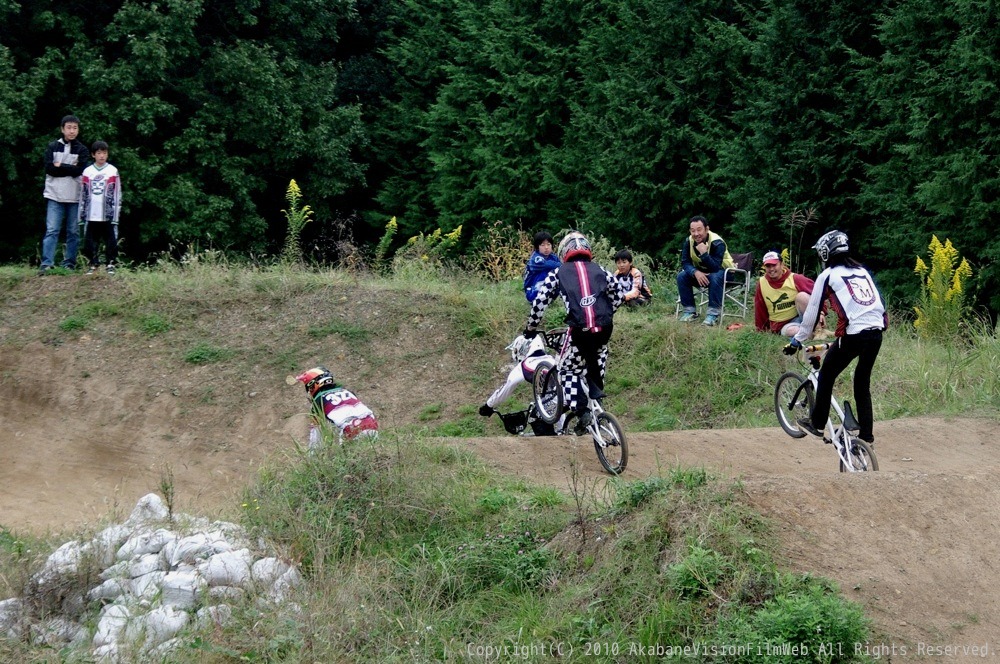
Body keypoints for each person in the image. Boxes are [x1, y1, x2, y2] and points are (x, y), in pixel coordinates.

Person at [784, 230, 887, 446]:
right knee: (862, 382)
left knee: (827, 374)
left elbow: (811, 313)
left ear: (825, 254)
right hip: (876, 332)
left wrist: (798, 340)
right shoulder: (862, 271)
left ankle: (818, 424)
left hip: (855, 334)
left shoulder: (828, 275)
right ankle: (866, 437)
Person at [523, 231, 629, 434]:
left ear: (564, 251)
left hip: (579, 331)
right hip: (604, 329)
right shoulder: (601, 270)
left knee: (565, 370)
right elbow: (618, 295)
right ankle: (595, 397)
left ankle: (582, 412)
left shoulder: (558, 273)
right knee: (597, 355)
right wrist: (606, 313)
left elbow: (540, 303)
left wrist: (530, 327)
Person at [478, 333, 558, 435]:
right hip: (570, 394)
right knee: (548, 405)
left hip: (557, 398)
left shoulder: (525, 364)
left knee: (535, 418)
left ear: (522, 348)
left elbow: (507, 388)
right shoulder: (551, 359)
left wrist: (488, 405)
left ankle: (552, 448)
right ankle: (562, 431)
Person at [40, 115, 91, 273]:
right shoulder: (52, 146)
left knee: (73, 232)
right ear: (62, 129)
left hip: (75, 197)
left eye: (75, 128)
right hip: (54, 195)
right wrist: (70, 168)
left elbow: (80, 170)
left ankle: (69, 263)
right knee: (52, 230)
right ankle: (46, 264)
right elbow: (49, 169)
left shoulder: (82, 149)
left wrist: (61, 165)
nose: (72, 131)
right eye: (69, 127)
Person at [294, 367, 379, 448]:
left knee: (349, 460)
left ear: (312, 385)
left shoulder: (318, 401)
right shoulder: (347, 391)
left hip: (351, 429)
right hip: (371, 423)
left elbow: (316, 438)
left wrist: (312, 458)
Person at [676, 215, 735, 326]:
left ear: (707, 229)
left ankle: (713, 315)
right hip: (703, 273)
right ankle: (690, 312)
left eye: (699, 230)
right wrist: (695, 272)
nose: (696, 234)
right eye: (693, 231)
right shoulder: (689, 241)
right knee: (682, 276)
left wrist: (704, 254)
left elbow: (715, 267)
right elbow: (685, 262)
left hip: (725, 273)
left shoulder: (718, 242)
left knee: (715, 276)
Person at [754, 250, 824, 337]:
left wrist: (821, 312)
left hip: (802, 317)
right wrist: (761, 330)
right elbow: (760, 308)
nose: (771, 269)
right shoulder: (761, 283)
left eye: (774, 265)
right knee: (792, 331)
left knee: (802, 296)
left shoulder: (795, 278)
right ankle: (812, 335)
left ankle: (819, 331)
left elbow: (818, 292)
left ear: (781, 264)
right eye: (768, 266)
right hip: (783, 326)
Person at [79, 141, 123, 275]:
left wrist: (116, 214)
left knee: (110, 239)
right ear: (93, 155)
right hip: (91, 213)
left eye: (104, 153)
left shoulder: (112, 171)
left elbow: (117, 193)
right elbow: (83, 194)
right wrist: (81, 214)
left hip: (108, 213)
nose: (102, 156)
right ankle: (93, 264)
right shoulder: (87, 171)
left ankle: (110, 264)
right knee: (91, 240)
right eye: (99, 153)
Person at [522, 231, 561, 302]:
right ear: (537, 247)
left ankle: (550, 297)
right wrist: (560, 265)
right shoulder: (535, 258)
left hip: (548, 291)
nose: (546, 247)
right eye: (542, 245)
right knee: (546, 271)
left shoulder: (553, 257)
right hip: (531, 290)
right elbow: (546, 265)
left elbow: (562, 266)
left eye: (548, 244)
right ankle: (538, 298)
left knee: (560, 273)